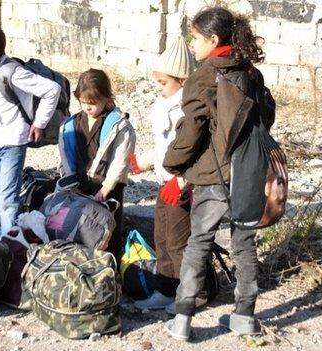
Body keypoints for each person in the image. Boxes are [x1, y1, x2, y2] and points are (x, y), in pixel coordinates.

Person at [163, 6, 271, 341]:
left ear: (213, 39)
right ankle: (244, 316)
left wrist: (174, 164)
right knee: (245, 243)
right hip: (249, 170)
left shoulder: (204, 75)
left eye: (194, 37)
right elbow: (266, 117)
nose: (190, 44)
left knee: (199, 242)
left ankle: (182, 319)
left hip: (212, 176)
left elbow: (192, 130)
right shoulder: (251, 74)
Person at [0, 22, 61, 239]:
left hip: (12, 143)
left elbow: (52, 90)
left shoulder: (12, 73)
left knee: (6, 199)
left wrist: (39, 123)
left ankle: (9, 246)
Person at [128, 36, 194, 310]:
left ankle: (187, 294)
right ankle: (165, 289)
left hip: (180, 187)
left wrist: (181, 181)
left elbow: (193, 153)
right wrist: (143, 162)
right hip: (164, 183)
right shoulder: (166, 106)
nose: (159, 88)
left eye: (163, 83)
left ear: (182, 80)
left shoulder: (187, 111)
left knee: (178, 242)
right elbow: (164, 147)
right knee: (162, 238)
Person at [58, 68, 136, 262]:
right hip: (81, 183)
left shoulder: (118, 125)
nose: (87, 108)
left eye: (92, 103)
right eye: (83, 102)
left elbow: (121, 159)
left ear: (106, 98)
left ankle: (110, 270)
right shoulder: (73, 123)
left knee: (109, 231)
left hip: (108, 186)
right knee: (82, 229)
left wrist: (107, 188)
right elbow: (66, 155)